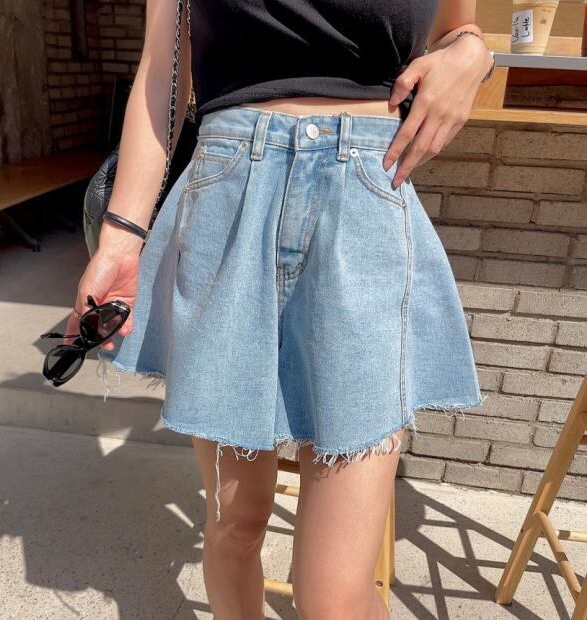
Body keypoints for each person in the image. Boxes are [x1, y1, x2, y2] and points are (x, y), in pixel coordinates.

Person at [69, 1, 491, 617]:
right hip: (227, 203)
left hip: (365, 203)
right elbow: (162, 74)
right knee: (235, 525)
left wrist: (473, 52)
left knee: (334, 598)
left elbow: (460, 27)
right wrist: (119, 240)